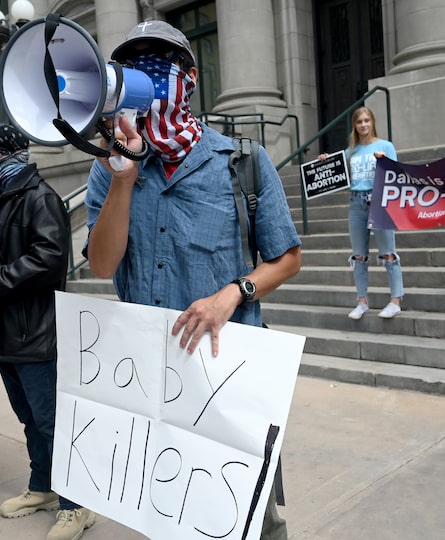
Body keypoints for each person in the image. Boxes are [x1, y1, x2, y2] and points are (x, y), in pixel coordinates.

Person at [83, 20, 302, 540]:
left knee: (252, 515)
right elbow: (101, 265)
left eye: (160, 64)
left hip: (229, 374)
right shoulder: (110, 167)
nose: (148, 78)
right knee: (167, 512)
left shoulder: (241, 160)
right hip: (149, 377)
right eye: (134, 66)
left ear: (192, 77)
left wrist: (233, 294)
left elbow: (288, 258)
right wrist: (124, 177)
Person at [0, 125, 95, 540]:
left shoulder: (39, 198)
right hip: (6, 332)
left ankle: (75, 505)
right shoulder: (0, 199)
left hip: (36, 332)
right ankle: (43, 488)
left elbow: (47, 261)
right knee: (29, 419)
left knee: (51, 422)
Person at [319, 106, 404, 320]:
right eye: (359, 122)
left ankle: (395, 301)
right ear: (355, 126)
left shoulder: (385, 145)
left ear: (372, 122)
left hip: (379, 201)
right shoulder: (352, 150)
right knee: (358, 255)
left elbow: (397, 173)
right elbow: (336, 167)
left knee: (388, 252)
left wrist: (384, 160)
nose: (364, 125)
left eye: (367, 120)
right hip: (356, 202)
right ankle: (362, 301)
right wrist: (325, 161)